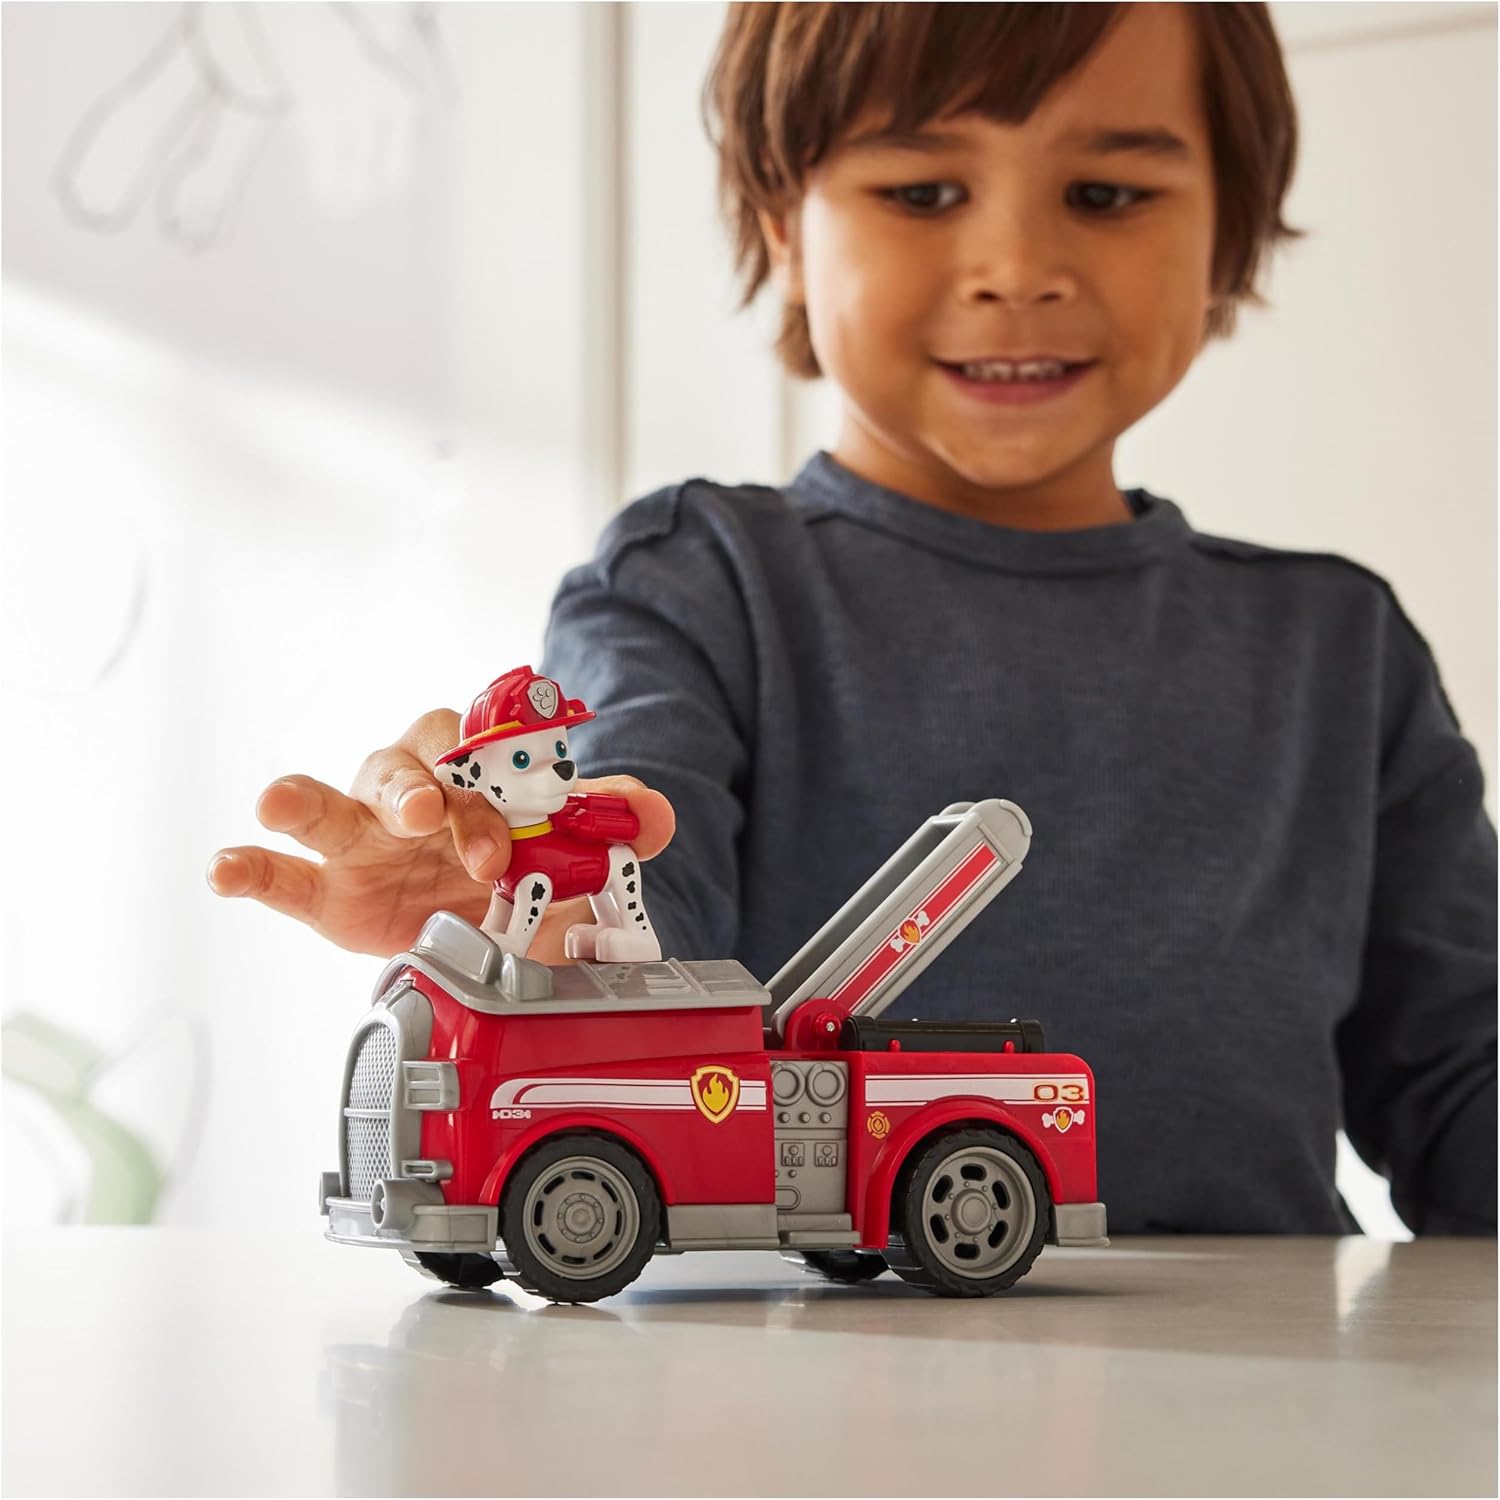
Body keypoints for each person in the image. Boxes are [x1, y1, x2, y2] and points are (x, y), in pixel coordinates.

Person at [208, 3, 1496, 1236]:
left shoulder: (1342, 650)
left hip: (1268, 1380)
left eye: (1106, 194)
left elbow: (1464, 1095)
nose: (1018, 271)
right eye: (923, 192)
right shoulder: (697, 583)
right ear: (784, 223)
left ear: (1230, 227)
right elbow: (645, 868)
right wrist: (525, 919)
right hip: (784, 1369)